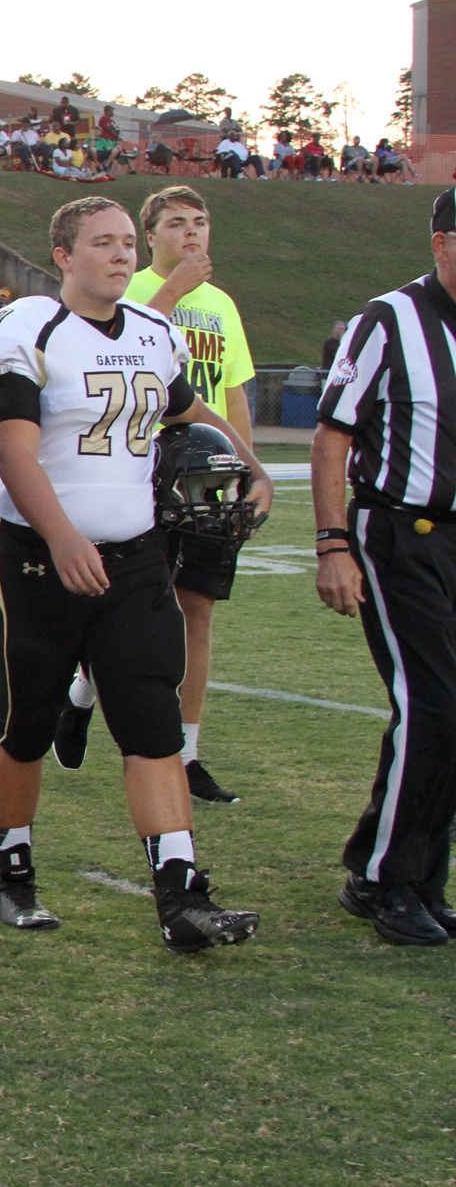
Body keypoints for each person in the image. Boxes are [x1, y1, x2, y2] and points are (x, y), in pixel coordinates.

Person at [0, 196, 270, 952]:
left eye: (127, 242)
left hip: (133, 557)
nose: (121, 254)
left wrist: (254, 465)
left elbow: (187, 407)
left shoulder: (152, 332)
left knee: (152, 723)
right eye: (102, 242)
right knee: (25, 724)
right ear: (63, 255)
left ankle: (182, 896)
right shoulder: (27, 330)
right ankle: (12, 869)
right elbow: (12, 449)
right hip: (34, 558)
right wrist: (64, 535)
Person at [55, 186, 257, 801]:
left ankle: (188, 752)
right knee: (126, 609)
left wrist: (244, 468)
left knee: (197, 612)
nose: (192, 234)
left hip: (206, 475)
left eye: (200, 223)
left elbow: (234, 389)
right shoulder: (132, 290)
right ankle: (81, 694)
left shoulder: (221, 303)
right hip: (145, 471)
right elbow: (138, 340)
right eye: (176, 224)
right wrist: (176, 286)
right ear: (150, 237)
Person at [312, 188, 456, 946]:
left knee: (449, 710)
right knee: (434, 703)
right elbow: (333, 433)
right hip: (399, 530)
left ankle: (421, 875)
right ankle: (383, 878)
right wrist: (332, 542)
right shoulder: (389, 320)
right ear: (441, 244)